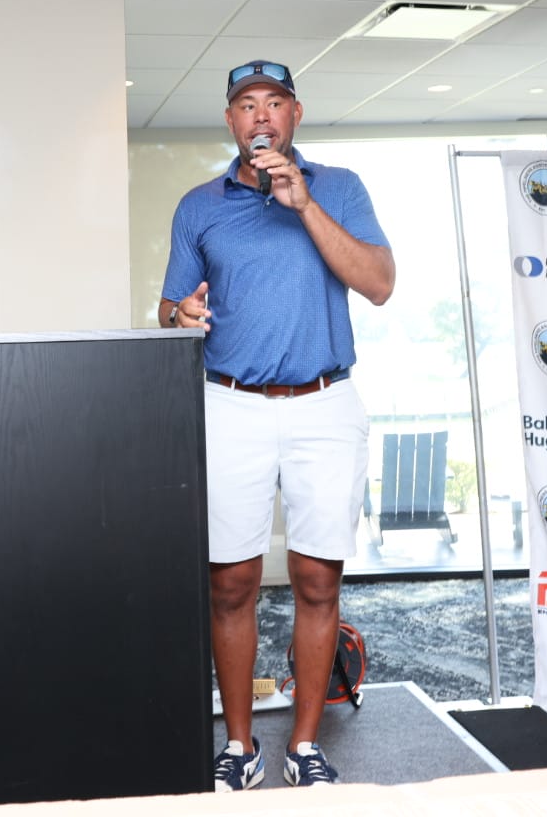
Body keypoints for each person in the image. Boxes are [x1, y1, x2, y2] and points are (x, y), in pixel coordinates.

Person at [160, 61, 394, 791]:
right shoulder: (200, 205)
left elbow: (379, 284)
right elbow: (170, 308)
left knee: (318, 578)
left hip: (325, 403)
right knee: (230, 583)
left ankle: (304, 744)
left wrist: (304, 204)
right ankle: (239, 746)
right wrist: (179, 314)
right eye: (245, 105)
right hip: (230, 404)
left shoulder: (340, 188)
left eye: (273, 103)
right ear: (231, 122)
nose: (260, 116)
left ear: (295, 115)